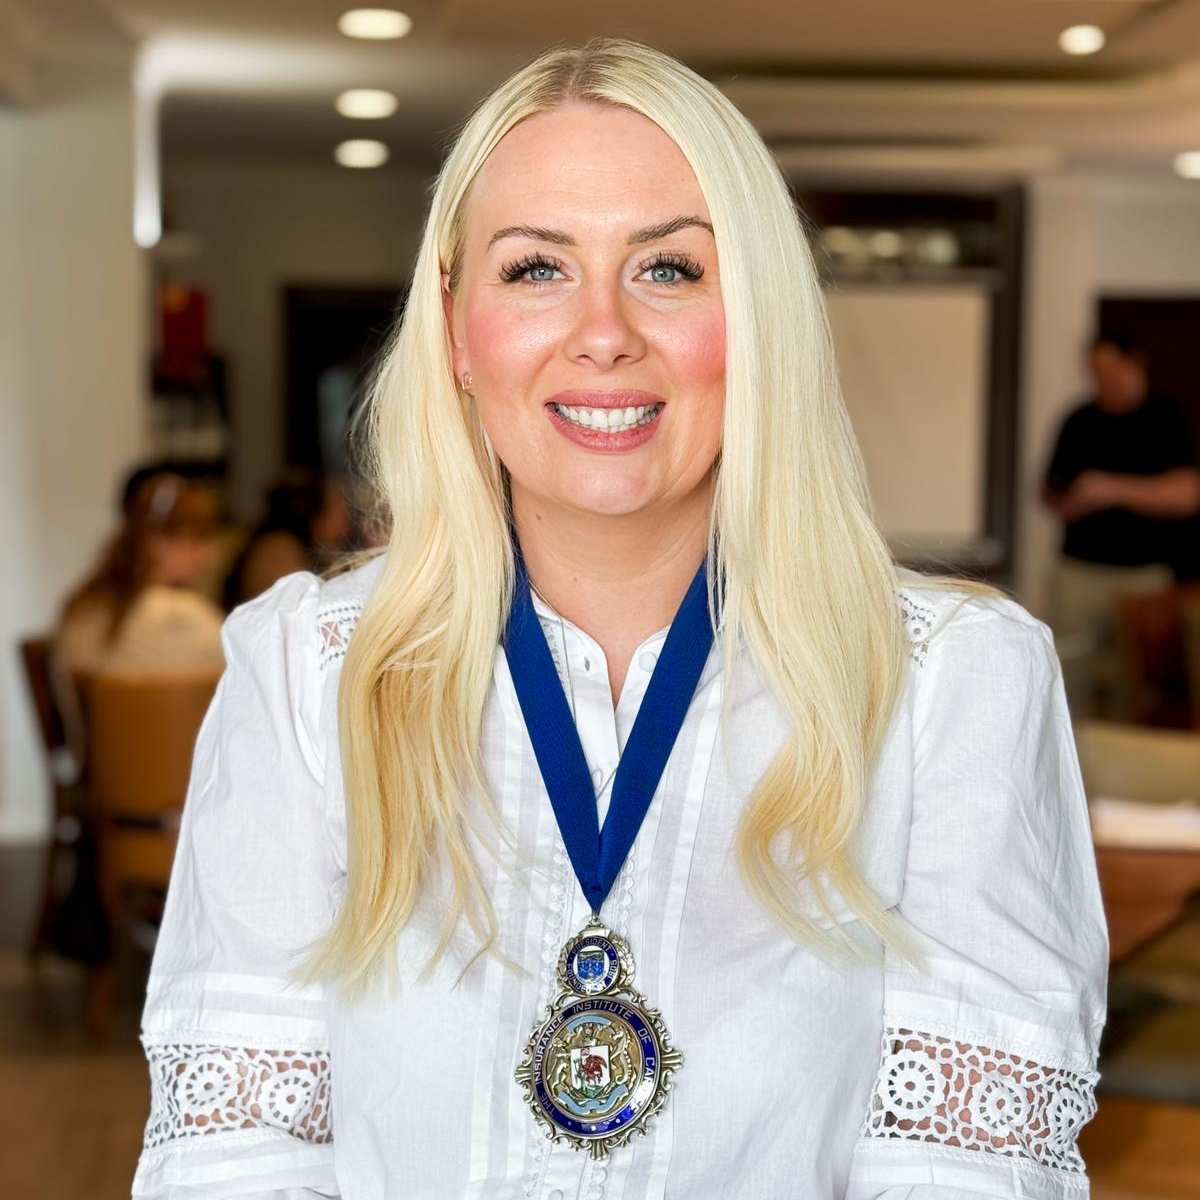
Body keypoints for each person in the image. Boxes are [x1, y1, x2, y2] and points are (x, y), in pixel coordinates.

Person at [132, 40, 1107, 1200]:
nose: (603, 331)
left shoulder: (951, 687)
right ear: (454, 329)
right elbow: (232, 1166)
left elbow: (967, 1175)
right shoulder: (306, 672)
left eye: (670, 269)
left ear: (760, 318)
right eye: (537, 267)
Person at [1042, 332, 1200, 717]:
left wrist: (1111, 488)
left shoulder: (1167, 418)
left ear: (1136, 363)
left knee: (1137, 685)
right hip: (1079, 571)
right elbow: (1049, 491)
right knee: (1068, 674)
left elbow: (1186, 495)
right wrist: (1070, 501)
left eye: (1112, 370)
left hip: (1143, 576)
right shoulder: (1078, 420)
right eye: (1097, 372)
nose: (1105, 380)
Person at [52, 469, 226, 764]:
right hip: (181, 778)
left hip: (104, 775)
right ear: (157, 542)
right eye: (197, 541)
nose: (207, 557)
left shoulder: (84, 608)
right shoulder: (185, 615)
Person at [222, 467, 352, 608]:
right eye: (339, 508)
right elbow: (298, 607)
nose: (349, 517)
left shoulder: (315, 550)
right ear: (315, 513)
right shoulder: (277, 550)